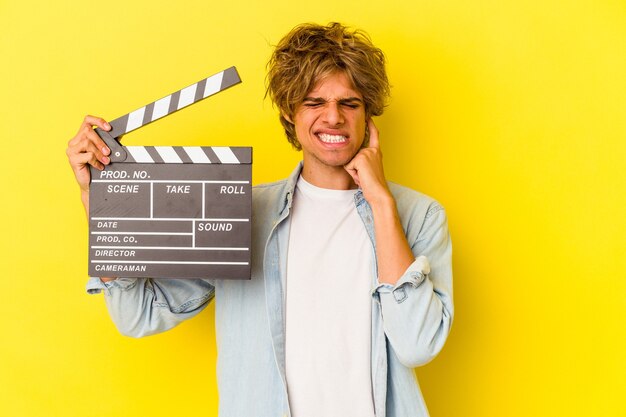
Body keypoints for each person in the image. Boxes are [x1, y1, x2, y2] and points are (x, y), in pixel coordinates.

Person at [66, 22, 453, 417]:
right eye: (314, 102)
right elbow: (138, 315)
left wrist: (381, 202)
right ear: (290, 111)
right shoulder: (240, 212)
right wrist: (99, 203)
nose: (333, 117)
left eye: (349, 103)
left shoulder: (419, 216)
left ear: (368, 114)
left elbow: (417, 343)